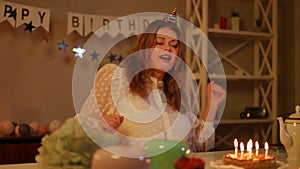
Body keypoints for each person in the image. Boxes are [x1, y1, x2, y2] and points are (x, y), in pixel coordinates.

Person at [36, 12, 226, 169]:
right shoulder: (115, 77)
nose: (167, 49)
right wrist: (101, 126)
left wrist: (213, 103)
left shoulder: (178, 93)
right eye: (160, 42)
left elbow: (199, 145)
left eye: (174, 46)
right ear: (145, 47)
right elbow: (79, 130)